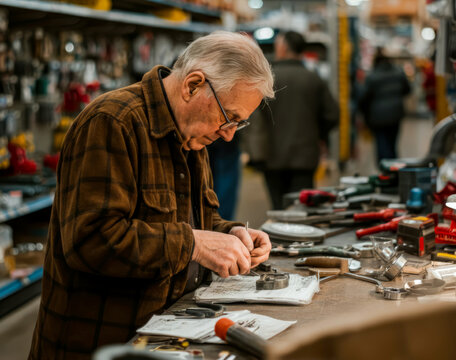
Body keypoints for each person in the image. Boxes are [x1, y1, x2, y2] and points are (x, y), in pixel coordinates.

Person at [29, 31, 274, 360]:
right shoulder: (112, 123)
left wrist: (229, 234)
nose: (228, 135)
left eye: (239, 124)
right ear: (192, 85)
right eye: (228, 117)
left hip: (164, 335)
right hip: (100, 343)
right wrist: (195, 244)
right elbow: (90, 243)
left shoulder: (192, 135)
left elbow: (195, 218)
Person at [247, 30, 339, 209]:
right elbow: (332, 115)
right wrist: (318, 134)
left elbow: (251, 118)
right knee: (302, 209)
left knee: (279, 209)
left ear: (283, 48)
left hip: (271, 156)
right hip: (305, 156)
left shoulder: (266, 81)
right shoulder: (313, 79)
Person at [358, 48, 411, 164]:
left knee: (382, 144)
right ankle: (394, 168)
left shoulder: (372, 77)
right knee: (392, 143)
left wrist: (364, 114)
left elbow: (364, 98)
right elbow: (407, 90)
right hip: (395, 115)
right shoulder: (398, 73)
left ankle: (385, 170)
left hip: (378, 117)